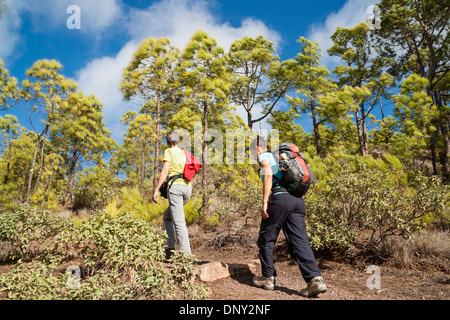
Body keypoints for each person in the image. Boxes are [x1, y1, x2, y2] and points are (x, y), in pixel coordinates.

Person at [250, 135, 327, 298]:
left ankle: (268, 277)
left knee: (267, 237)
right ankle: (315, 280)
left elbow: (268, 175)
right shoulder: (280, 158)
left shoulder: (265, 156)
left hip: (280, 199)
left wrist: (264, 202)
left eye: (252, 151)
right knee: (299, 240)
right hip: (297, 201)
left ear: (258, 147)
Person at [153, 131, 192, 257]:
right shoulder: (183, 152)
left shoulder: (169, 151)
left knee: (179, 221)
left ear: (167, 141)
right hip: (187, 188)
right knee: (168, 217)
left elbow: (165, 171)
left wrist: (157, 189)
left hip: (175, 188)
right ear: (178, 141)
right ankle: (169, 248)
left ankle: (185, 255)